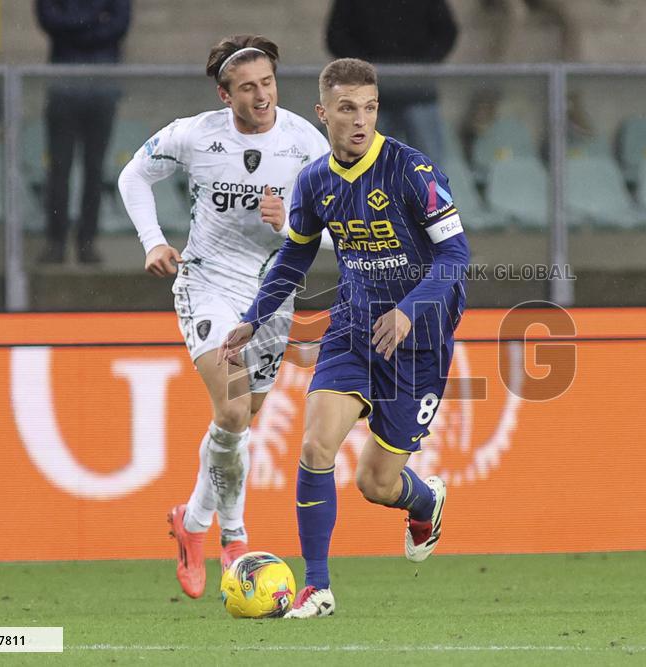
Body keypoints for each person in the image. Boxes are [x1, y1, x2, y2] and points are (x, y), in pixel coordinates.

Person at [224, 57, 470, 619]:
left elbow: (456, 255)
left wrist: (409, 311)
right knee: (314, 448)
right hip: (354, 328)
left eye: (370, 108)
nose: (360, 120)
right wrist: (254, 315)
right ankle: (318, 587)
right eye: (346, 109)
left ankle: (425, 499)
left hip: (419, 342)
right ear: (323, 113)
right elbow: (296, 254)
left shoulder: (413, 172)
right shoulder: (314, 181)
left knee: (376, 483)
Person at [117, 35, 331, 599]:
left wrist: (291, 222)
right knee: (234, 412)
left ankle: (190, 524)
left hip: (273, 297)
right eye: (247, 88)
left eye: (268, 83)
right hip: (207, 282)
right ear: (224, 93)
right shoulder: (194, 134)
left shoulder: (306, 143)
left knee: (235, 424)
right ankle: (233, 538)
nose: (262, 96)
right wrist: (153, 241)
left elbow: (337, 231)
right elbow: (132, 176)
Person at [35, 0, 131, 264]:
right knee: (59, 169)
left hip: (102, 90)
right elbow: (49, 21)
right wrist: (94, 18)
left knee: (95, 169)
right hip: (63, 91)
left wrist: (74, 24)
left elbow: (119, 25)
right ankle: (56, 241)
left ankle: (87, 242)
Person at [325, 0, 456, 161]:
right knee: (369, 164)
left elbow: (446, 32)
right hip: (370, 96)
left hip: (418, 91)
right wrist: (363, 65)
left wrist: (422, 65)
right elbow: (336, 35)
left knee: (427, 165)